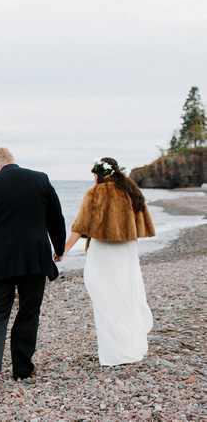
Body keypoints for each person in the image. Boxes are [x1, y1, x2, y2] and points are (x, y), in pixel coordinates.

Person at [0, 147, 66, 396]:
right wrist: (59, 248)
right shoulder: (40, 178)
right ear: (12, 161)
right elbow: (56, 217)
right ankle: (22, 368)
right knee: (29, 312)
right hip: (35, 258)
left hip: (0, 262)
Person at [55, 157, 155, 366]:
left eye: (94, 174)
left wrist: (63, 250)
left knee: (104, 298)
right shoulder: (131, 190)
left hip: (103, 249)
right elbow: (139, 220)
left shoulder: (96, 192)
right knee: (127, 295)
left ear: (100, 173)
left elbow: (80, 226)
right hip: (127, 248)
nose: (93, 178)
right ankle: (132, 346)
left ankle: (114, 353)